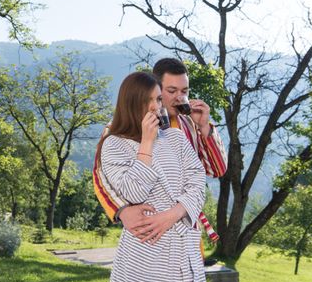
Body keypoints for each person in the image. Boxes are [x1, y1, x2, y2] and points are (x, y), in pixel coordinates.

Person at [93, 58, 227, 261]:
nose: (179, 98)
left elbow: (216, 170)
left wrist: (204, 128)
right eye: (171, 91)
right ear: (154, 88)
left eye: (184, 91)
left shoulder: (190, 124)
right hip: (149, 232)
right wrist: (121, 210)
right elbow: (100, 175)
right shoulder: (120, 129)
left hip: (185, 227)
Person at [98, 71, 208, 282]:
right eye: (148, 100)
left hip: (184, 250)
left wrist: (172, 215)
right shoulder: (114, 145)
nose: (155, 107)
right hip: (146, 252)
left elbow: (198, 183)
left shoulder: (175, 139)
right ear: (131, 103)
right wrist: (146, 143)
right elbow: (134, 192)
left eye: (158, 99)